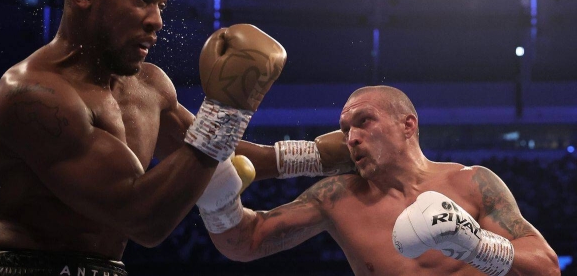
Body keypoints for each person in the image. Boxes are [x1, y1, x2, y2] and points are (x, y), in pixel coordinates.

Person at [0, 0, 312, 274]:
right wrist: (225, 110)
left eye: (161, 5)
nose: (157, 21)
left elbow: (218, 154)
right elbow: (141, 218)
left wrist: (325, 156)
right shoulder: (31, 95)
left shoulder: (149, 86)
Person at [201, 85, 561, 276]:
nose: (351, 137)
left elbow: (546, 268)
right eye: (344, 130)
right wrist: (218, 201)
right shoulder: (336, 197)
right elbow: (245, 243)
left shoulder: (471, 182)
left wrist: (478, 246)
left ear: (408, 125)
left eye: (364, 121)